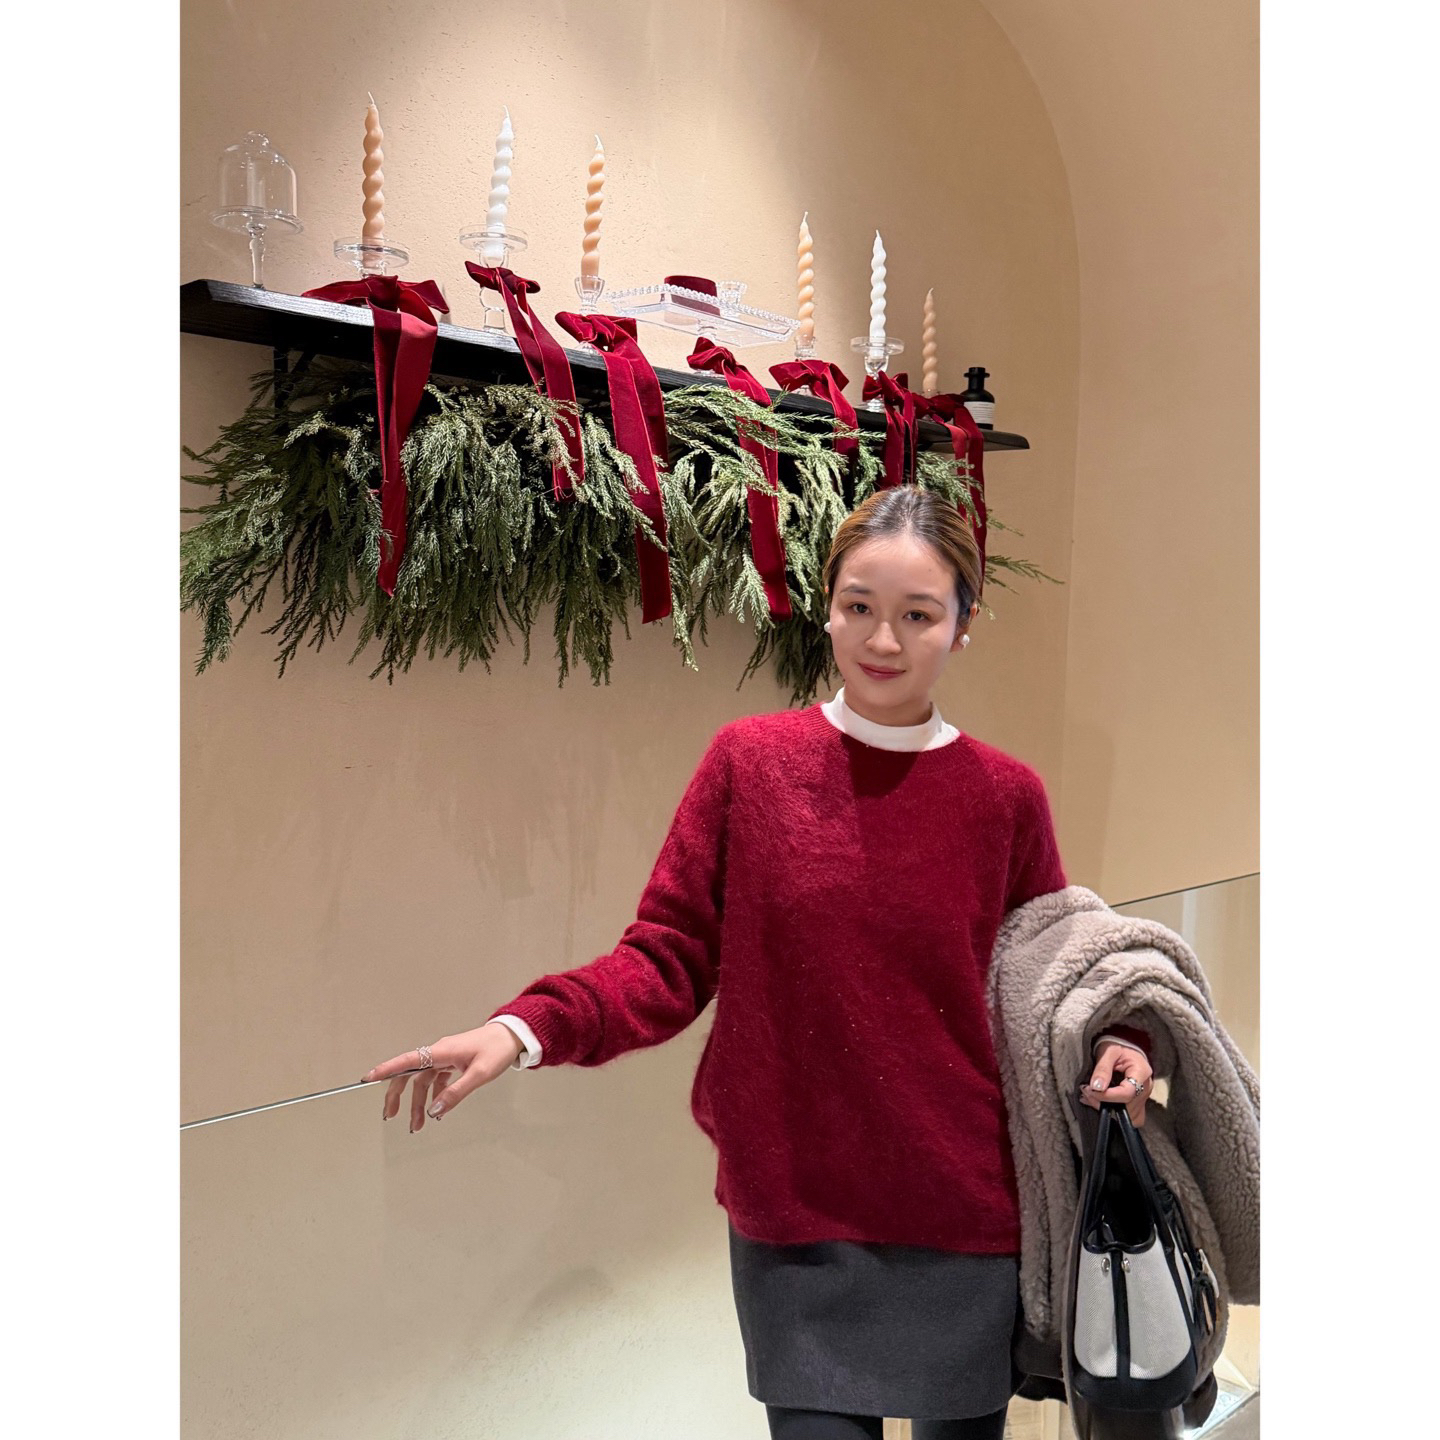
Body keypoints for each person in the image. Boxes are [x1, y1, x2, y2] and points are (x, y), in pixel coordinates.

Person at [362, 485, 1153, 1440]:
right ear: (827, 606)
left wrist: (1122, 1039)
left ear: (963, 624)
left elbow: (1057, 972)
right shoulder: (751, 764)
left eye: (918, 615)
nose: (884, 640)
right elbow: (666, 957)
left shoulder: (1004, 796)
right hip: (794, 1212)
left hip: (963, 1210)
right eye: (859, 606)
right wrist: (523, 1029)